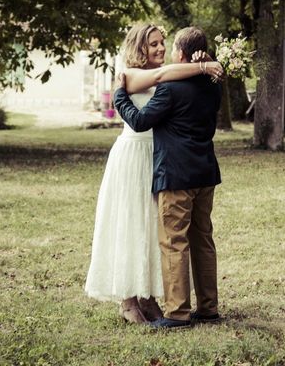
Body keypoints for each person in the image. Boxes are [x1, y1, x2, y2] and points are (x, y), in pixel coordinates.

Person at [84, 24, 223, 324]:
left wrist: (202, 60)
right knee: (133, 223)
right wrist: (203, 65)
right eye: (154, 44)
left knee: (154, 229)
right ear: (140, 48)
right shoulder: (134, 75)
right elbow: (164, 76)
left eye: (163, 43)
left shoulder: (174, 72)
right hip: (134, 156)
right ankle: (128, 299)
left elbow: (182, 71)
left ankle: (148, 296)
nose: (161, 48)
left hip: (161, 158)